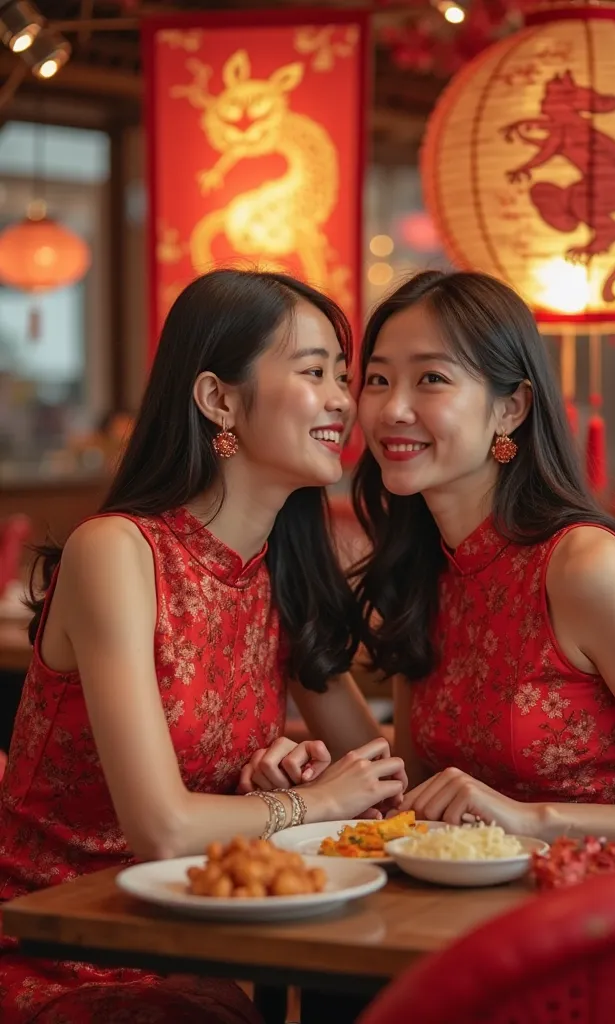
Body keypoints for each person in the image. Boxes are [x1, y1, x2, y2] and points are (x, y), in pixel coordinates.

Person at [0, 269, 405, 1024]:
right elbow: (164, 828)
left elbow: (378, 782)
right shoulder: (117, 552)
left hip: (200, 949)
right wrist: (312, 801)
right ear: (219, 399)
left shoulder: (282, 569)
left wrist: (300, 769)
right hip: (59, 959)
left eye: (344, 378)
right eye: (315, 372)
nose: (345, 401)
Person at [345, 268, 615, 845]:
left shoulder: (582, 566)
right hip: (448, 910)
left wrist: (536, 820)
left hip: (589, 913)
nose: (392, 409)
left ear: (511, 409)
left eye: (431, 378)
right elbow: (418, 804)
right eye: (377, 380)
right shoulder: (424, 569)